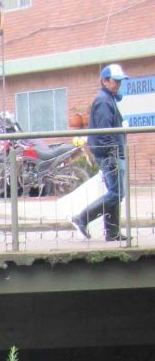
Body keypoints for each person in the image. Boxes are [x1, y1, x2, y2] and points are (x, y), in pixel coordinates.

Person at [70, 63, 129, 242]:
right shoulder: (103, 100)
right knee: (117, 193)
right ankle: (82, 218)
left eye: (120, 81)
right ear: (104, 81)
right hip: (110, 153)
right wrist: (113, 153)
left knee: (114, 191)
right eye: (115, 81)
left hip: (111, 152)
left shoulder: (108, 98)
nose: (118, 84)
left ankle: (112, 232)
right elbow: (104, 131)